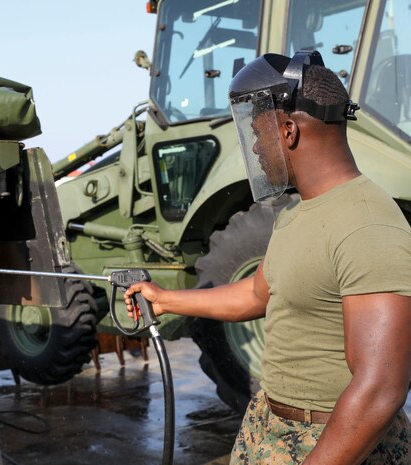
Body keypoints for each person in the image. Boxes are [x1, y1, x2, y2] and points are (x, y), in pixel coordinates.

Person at [125, 51, 411, 465]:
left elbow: (380, 388)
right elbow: (259, 294)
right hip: (272, 428)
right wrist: (166, 299)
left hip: (332, 441)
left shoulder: (367, 225)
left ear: (289, 130)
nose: (256, 148)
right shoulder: (295, 213)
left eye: (259, 133)